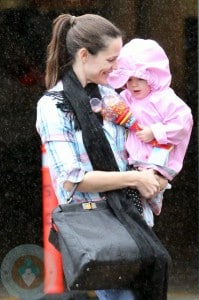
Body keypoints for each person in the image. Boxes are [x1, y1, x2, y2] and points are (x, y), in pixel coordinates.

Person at [36, 14, 170, 300]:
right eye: (111, 60)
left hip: (135, 223)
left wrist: (156, 173)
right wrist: (135, 178)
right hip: (99, 232)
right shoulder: (53, 106)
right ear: (84, 55)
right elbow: (73, 179)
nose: (116, 67)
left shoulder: (113, 98)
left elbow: (141, 146)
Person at [108, 38, 193, 226]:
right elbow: (115, 108)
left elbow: (183, 123)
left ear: (154, 77)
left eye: (140, 79)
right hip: (134, 161)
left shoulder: (164, 99)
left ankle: (151, 204)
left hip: (159, 159)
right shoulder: (126, 97)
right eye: (129, 79)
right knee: (134, 195)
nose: (134, 85)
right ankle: (143, 216)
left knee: (148, 188)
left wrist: (155, 132)